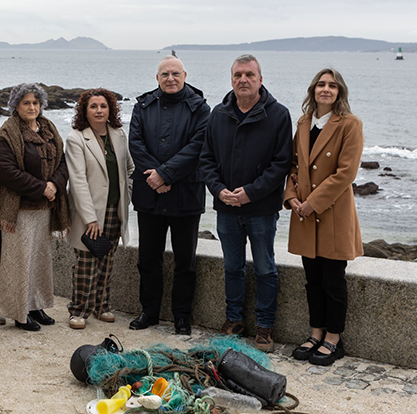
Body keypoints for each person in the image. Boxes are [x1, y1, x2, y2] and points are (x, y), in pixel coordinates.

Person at [198, 54, 292, 352]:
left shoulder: (278, 115)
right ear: (231, 80)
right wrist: (219, 189)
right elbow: (206, 159)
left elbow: (281, 165)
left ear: (260, 79)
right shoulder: (218, 114)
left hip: (261, 209)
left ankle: (265, 327)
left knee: (265, 268)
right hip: (226, 207)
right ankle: (234, 320)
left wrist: (250, 192)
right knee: (232, 267)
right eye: (238, 75)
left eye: (249, 75)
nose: (243, 80)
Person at [286, 68, 363, 366]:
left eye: (332, 86)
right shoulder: (304, 122)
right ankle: (315, 332)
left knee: (333, 279)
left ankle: (334, 338)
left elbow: (346, 173)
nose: (326, 90)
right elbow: (293, 166)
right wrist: (291, 197)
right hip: (304, 213)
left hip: (332, 215)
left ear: (339, 92)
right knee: (312, 278)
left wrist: (312, 203)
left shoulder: (350, 124)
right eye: (321, 85)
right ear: (313, 90)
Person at [128, 56, 211, 334]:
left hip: (185, 194)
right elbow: (135, 143)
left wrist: (165, 174)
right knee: (148, 259)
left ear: (185, 75)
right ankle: (149, 311)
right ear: (157, 78)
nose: (170, 78)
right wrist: (156, 175)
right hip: (150, 194)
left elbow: (198, 146)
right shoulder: (143, 105)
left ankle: (182, 316)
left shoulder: (200, 108)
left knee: (185, 261)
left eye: (175, 73)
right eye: (165, 74)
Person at [0, 83, 70, 331]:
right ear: (16, 105)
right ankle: (19, 313)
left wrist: (55, 185)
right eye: (26, 103)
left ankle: (35, 305)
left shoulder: (48, 127)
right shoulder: (7, 133)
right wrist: (41, 188)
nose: (32, 107)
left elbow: (63, 161)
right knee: (19, 262)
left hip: (46, 208)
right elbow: (7, 172)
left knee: (39, 261)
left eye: (35, 103)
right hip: (20, 210)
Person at [65, 88, 134, 330]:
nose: (99, 110)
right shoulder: (76, 139)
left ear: (110, 109)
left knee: (107, 260)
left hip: (115, 210)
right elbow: (78, 181)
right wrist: (90, 219)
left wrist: (128, 195)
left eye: (103, 106)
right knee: (85, 262)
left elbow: (129, 170)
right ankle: (78, 310)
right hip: (90, 213)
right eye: (93, 106)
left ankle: (101, 306)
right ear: (85, 110)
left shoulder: (118, 135)